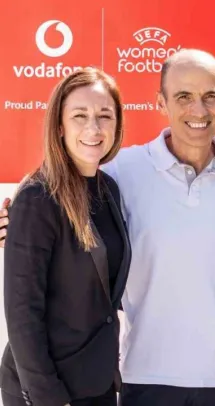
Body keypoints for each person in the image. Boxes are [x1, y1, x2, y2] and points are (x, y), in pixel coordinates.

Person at [0, 49, 215, 405]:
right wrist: (14, 224)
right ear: (161, 102)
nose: (198, 110)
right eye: (183, 96)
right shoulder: (117, 174)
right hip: (132, 378)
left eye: (210, 96)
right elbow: (25, 304)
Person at [0, 68, 130, 406]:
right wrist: (48, 397)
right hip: (49, 389)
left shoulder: (109, 189)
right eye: (79, 116)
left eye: (105, 115)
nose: (93, 128)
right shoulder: (38, 197)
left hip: (97, 381)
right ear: (59, 127)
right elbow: (22, 312)